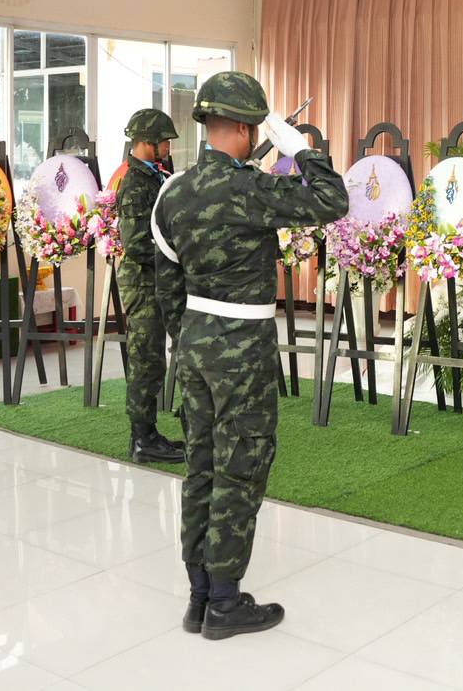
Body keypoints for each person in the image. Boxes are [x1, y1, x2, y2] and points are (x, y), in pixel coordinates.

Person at [152, 71, 348, 641]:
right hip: (243, 343)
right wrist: (301, 151)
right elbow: (332, 201)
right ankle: (225, 602)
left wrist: (189, 336)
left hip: (193, 340)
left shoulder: (173, 192)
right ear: (243, 129)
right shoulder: (249, 188)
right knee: (241, 465)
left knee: (201, 465)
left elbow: (166, 283)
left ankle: (198, 597)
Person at [115, 108, 185, 465]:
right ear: (146, 142)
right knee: (147, 361)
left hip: (160, 280)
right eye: (164, 141)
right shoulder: (135, 184)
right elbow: (137, 244)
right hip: (143, 284)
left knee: (160, 358)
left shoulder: (156, 176)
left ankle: (150, 436)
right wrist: (178, 252)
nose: (169, 146)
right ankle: (143, 439)